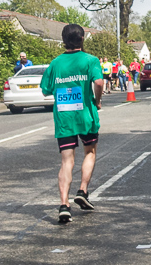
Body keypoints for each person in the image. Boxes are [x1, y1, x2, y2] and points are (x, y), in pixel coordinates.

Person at [40, 24, 104, 225]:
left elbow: (45, 90)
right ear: (82, 38)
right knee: (90, 153)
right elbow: (100, 83)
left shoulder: (55, 63)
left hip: (64, 117)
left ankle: (64, 205)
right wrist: (97, 100)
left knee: (67, 161)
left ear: (63, 40)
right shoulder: (90, 60)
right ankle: (83, 191)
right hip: (85, 115)